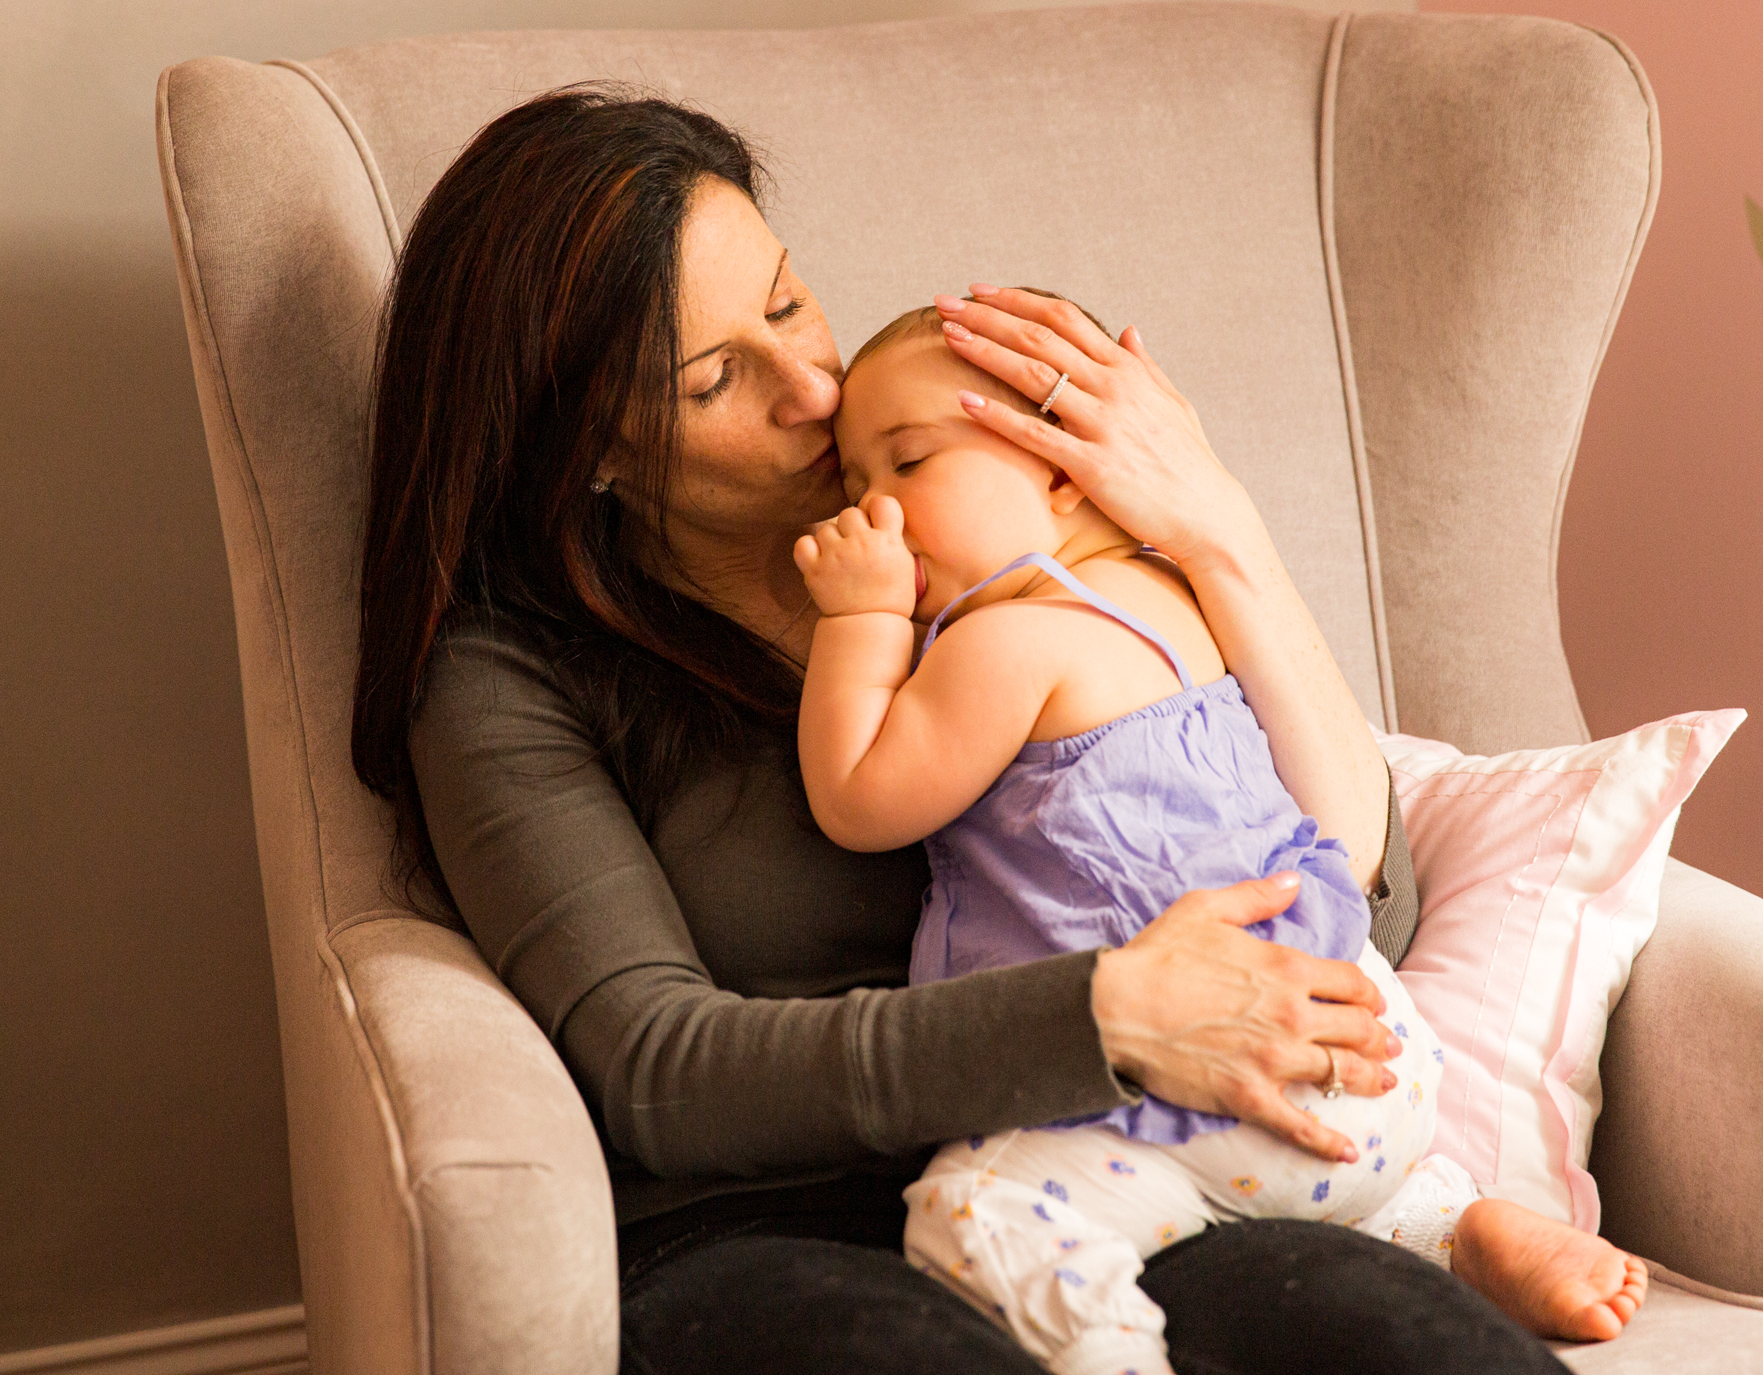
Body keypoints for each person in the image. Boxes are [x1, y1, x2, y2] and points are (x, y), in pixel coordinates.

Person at [351, 84, 1579, 1375]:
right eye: (716, 378)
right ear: (587, 453)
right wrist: (1106, 1015)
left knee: (1414, 1346)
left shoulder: (996, 539)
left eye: (787, 303)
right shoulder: (510, 676)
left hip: (1139, 1157)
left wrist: (1220, 533)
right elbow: (657, 1068)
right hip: (767, 1228)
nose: (813, 389)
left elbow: (1367, 905)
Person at [791, 299, 1649, 1374]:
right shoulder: (1174, 596)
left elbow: (857, 797)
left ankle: (1110, 1352)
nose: (872, 511)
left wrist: (859, 619)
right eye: (850, 485)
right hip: (1369, 1046)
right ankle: (1443, 1219)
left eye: (908, 463)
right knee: (1281, 1187)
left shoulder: (1006, 640)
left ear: (1062, 475)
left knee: (973, 1211)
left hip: (1208, 1076)